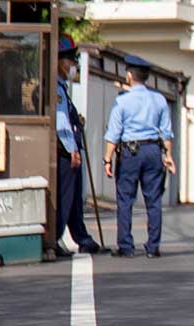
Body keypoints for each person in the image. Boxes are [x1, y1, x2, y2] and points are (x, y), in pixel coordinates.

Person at [103, 59, 176, 258]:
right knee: (153, 200)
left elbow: (113, 134)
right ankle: (153, 247)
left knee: (125, 199)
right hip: (153, 150)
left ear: (129, 75)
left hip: (130, 152)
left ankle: (126, 246)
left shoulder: (122, 101)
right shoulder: (159, 100)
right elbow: (166, 133)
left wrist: (107, 160)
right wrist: (168, 156)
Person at [52, 48, 104, 256]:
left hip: (69, 151)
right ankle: (54, 239)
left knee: (73, 198)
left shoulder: (62, 88)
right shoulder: (56, 90)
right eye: (70, 62)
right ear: (59, 63)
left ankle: (82, 237)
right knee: (65, 198)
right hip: (65, 152)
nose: (73, 67)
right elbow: (61, 121)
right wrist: (73, 149)